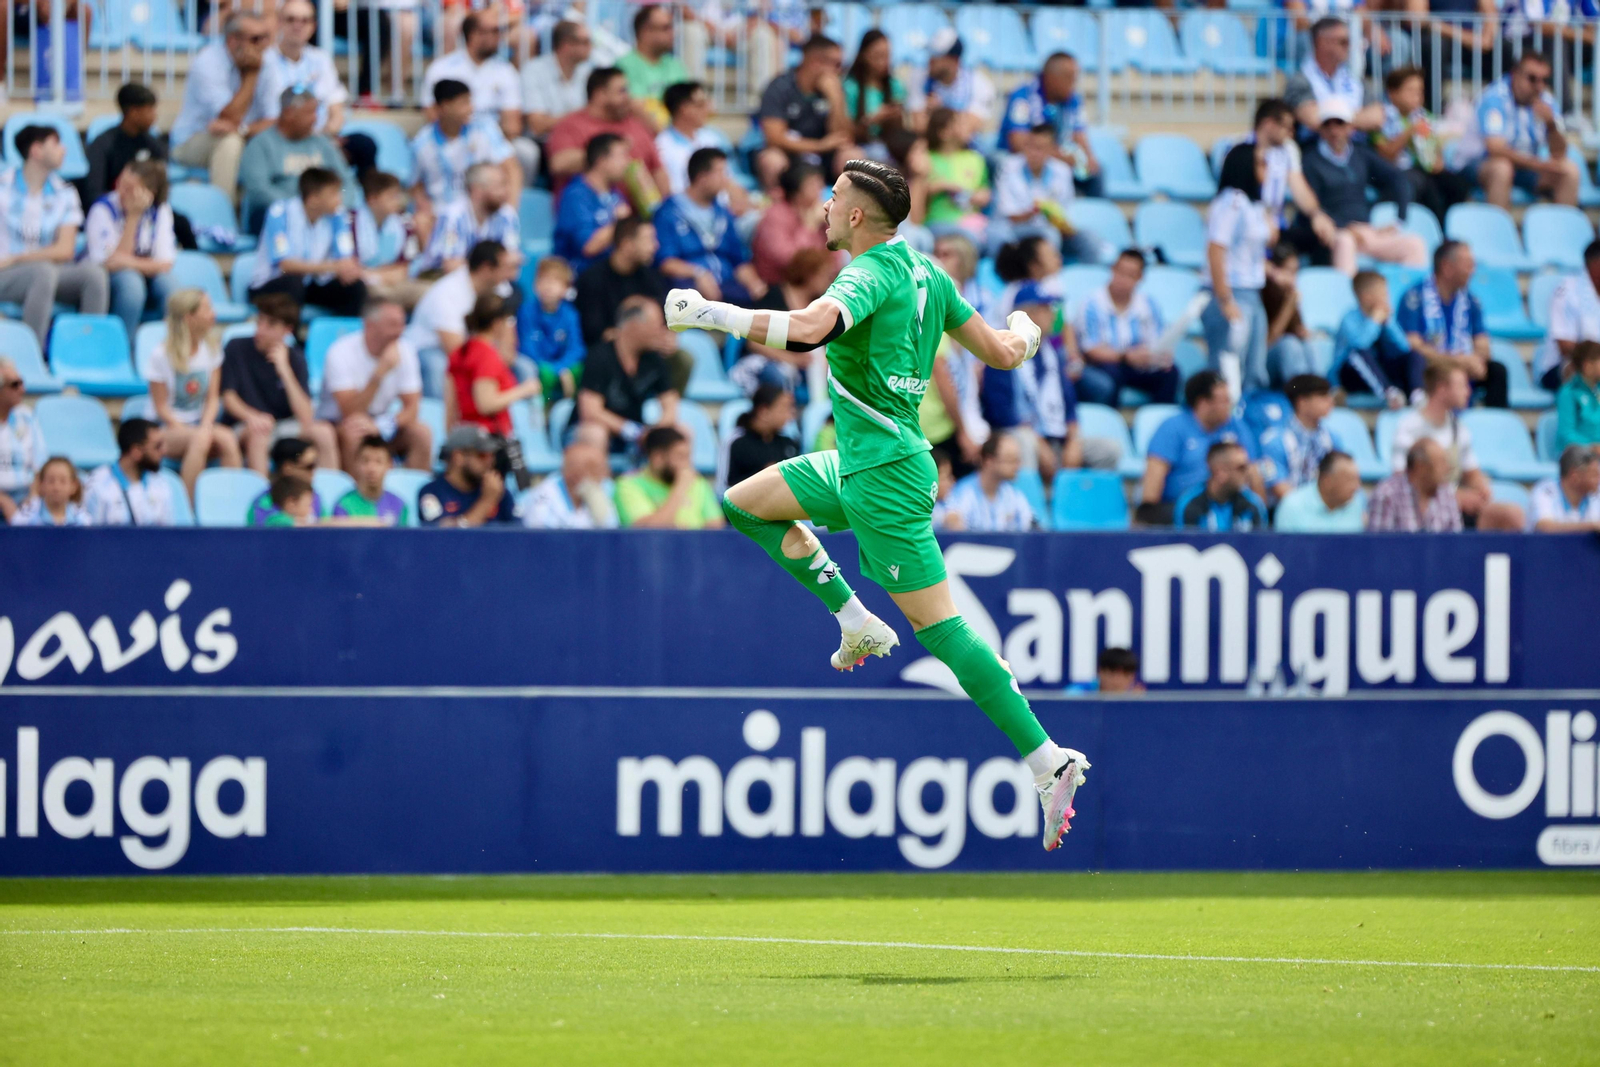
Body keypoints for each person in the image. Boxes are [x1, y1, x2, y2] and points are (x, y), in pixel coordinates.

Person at [663, 157, 1090, 852]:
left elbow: (807, 331)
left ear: (858, 215)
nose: (824, 209)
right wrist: (1028, 329)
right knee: (745, 503)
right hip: (862, 463)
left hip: (885, 477)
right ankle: (856, 618)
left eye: (833, 198)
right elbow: (1006, 353)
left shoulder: (866, 273)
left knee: (943, 632)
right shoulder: (931, 274)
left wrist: (713, 313)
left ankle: (1049, 760)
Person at [0, 125, 108, 346]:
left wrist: (17, 258)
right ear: (36, 150)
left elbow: (65, 250)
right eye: (56, 143)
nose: (65, 149)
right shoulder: (2, 186)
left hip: (36, 269)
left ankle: (85, 353)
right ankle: (32, 355)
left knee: (94, 276)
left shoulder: (65, 192)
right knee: (44, 272)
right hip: (4, 273)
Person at [1294, 100, 1428, 276]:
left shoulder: (1361, 154)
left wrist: (1399, 221)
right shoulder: (1310, 161)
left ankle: (1408, 301)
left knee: (1414, 245)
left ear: (1351, 127)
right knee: (1345, 242)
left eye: (1340, 123)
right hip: (1334, 235)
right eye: (1327, 124)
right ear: (1321, 129)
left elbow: (1399, 178)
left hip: (1366, 232)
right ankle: (1347, 301)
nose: (1334, 131)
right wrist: (1344, 228)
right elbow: (1312, 205)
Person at [1390, 362, 1525, 529]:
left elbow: (1472, 473)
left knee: (1510, 515)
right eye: (1462, 385)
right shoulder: (1408, 426)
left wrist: (1481, 488)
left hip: (1457, 505)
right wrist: (1453, 496)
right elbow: (1402, 480)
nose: (1468, 391)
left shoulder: (1458, 427)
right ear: (1441, 388)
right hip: (1420, 505)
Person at [220, 292, 338, 473]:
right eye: (259, 321)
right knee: (260, 434)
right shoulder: (236, 347)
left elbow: (306, 417)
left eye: (270, 324)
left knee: (324, 433)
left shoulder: (295, 357)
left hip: (283, 426)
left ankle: (328, 494)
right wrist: (252, 416)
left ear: (287, 330)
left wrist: (285, 371)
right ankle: (262, 498)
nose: (261, 329)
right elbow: (228, 398)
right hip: (245, 424)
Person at [170, 13, 280, 203]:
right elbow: (231, 116)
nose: (264, 45)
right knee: (230, 142)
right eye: (256, 39)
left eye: (266, 37)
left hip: (244, 136)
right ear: (232, 40)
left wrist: (243, 130)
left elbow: (275, 120)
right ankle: (223, 216)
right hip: (191, 142)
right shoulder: (207, 63)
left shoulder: (268, 59)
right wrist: (251, 76)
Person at [146, 288, 244, 496]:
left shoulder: (212, 349)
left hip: (199, 425)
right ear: (189, 317)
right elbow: (160, 407)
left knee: (227, 437)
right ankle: (188, 509)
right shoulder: (160, 355)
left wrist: (206, 425)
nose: (213, 314)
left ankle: (230, 504)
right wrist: (186, 428)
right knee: (200, 439)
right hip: (165, 427)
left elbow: (212, 399)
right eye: (207, 309)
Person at [319, 297, 431, 472]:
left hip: (380, 421)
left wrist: (383, 425)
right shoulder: (340, 352)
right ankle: (357, 495)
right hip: (339, 423)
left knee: (422, 433)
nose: (400, 331)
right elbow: (350, 412)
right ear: (370, 325)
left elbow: (413, 407)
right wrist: (379, 375)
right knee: (354, 432)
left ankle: (410, 493)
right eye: (393, 324)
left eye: (402, 324)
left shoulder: (405, 350)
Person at [1202, 142, 1276, 394]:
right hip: (1231, 292)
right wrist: (1224, 299)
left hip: (1252, 293)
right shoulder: (1230, 202)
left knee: (1254, 366)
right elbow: (1216, 250)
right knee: (1229, 366)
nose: (1267, 168)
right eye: (1261, 162)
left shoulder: (1252, 204)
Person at [1141, 370, 1262, 522]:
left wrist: (1260, 514)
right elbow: (1153, 479)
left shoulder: (1237, 426)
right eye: (1224, 401)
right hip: (1180, 509)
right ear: (1203, 403)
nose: (1230, 406)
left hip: (1230, 507)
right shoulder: (1172, 428)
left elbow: (1252, 472)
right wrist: (1147, 514)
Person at [1397, 240, 1506, 407]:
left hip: (1463, 363)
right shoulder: (1414, 298)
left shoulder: (1471, 300)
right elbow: (1413, 345)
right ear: (1447, 267)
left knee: (1497, 371)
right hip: (1431, 366)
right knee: (1417, 363)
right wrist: (1455, 362)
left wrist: (1476, 360)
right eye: (1468, 264)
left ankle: (1497, 428)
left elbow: (1483, 342)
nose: (1472, 270)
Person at [420, 12, 529, 178]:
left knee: (526, 153)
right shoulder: (442, 68)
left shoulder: (506, 71)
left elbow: (512, 125)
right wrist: (463, 138)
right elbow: (432, 114)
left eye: (498, 31)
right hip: (452, 137)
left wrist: (487, 141)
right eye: (491, 31)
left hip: (495, 140)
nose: (497, 37)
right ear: (472, 35)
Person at [1466, 51, 1579, 210]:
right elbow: (1495, 149)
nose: (1538, 86)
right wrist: (1537, 164)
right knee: (1502, 169)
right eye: (1532, 79)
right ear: (1515, 75)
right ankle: (1499, 232)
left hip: (1523, 168)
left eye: (1544, 80)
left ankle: (1563, 232)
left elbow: (1559, 153)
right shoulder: (1495, 97)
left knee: (1569, 171)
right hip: (1478, 165)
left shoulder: (1547, 101)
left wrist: (1551, 125)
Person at [654, 147, 765, 306]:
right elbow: (665, 262)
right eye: (720, 172)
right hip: (689, 293)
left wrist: (755, 285)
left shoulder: (723, 213)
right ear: (702, 177)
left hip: (728, 288)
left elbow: (738, 261)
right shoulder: (668, 212)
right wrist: (698, 273)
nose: (725, 179)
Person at [249, 167, 365, 316]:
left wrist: (347, 270)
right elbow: (285, 266)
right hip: (270, 285)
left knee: (354, 287)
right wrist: (333, 267)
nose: (339, 199)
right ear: (313, 200)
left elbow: (346, 258)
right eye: (333, 194)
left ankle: (344, 336)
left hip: (309, 285)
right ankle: (291, 338)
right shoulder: (280, 212)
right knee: (293, 283)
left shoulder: (337, 216)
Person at [410, 79, 519, 237]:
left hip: (482, 209)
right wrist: (426, 208)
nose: (471, 108)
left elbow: (512, 168)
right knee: (421, 221)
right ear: (445, 106)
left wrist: (510, 207)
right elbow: (416, 184)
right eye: (464, 103)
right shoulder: (422, 143)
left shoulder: (484, 130)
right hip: (441, 213)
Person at [83, 159, 176, 345]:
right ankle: (120, 347)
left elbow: (165, 263)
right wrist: (133, 217)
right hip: (107, 278)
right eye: (120, 184)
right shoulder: (103, 208)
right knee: (131, 284)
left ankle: (169, 348)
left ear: (149, 194)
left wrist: (129, 262)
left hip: (143, 274)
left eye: (130, 188)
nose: (121, 192)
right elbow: (110, 262)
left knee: (171, 287)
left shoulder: (161, 211)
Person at [239, 84, 354, 233]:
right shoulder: (260, 144)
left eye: (316, 112)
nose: (315, 119)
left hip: (324, 213)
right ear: (288, 113)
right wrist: (301, 209)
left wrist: (337, 204)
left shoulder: (321, 142)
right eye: (309, 113)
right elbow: (258, 191)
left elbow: (347, 182)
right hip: (277, 215)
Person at [578, 294, 682, 453]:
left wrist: (655, 432)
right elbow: (590, 411)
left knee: (680, 433)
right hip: (593, 431)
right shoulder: (599, 356)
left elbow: (670, 404)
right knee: (596, 433)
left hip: (637, 433)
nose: (661, 331)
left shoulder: (654, 359)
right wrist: (631, 430)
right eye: (656, 324)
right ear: (634, 325)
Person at [1075, 250, 1178, 406]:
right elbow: (1090, 349)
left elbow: (1158, 340)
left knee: (1170, 373)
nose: (1122, 279)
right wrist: (1125, 357)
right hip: (1107, 363)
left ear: (1140, 278)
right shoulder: (1091, 303)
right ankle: (1110, 424)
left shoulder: (1149, 304)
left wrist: (1157, 356)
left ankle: (1156, 420)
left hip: (1138, 363)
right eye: (1120, 272)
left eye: (1130, 275)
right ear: (1112, 270)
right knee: (1110, 377)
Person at [546, 66, 668, 197]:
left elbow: (658, 170)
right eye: (622, 91)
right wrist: (609, 151)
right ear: (600, 94)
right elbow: (558, 164)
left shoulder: (636, 124)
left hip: (640, 215)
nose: (629, 97)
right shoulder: (570, 125)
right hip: (590, 212)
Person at [729, 246, 834, 397]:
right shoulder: (774, 297)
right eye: (825, 276)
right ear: (809, 274)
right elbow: (754, 342)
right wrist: (792, 359)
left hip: (803, 370)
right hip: (767, 363)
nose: (828, 282)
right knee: (778, 376)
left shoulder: (818, 306)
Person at [1372, 66, 1473, 222]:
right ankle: (1438, 231)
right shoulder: (1380, 119)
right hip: (1395, 173)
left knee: (1457, 184)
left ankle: (1453, 226)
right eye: (1410, 91)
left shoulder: (1424, 117)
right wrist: (1409, 132)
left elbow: (1436, 155)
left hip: (1423, 171)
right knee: (1426, 185)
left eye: (1419, 91)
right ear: (1392, 93)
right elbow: (1386, 155)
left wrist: (1437, 159)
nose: (1417, 96)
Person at [999, 52, 1100, 198]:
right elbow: (1018, 143)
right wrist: (1059, 157)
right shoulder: (1023, 97)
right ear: (1051, 78)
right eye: (1068, 77)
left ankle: (1092, 217)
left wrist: (1087, 158)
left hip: (1056, 160)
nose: (1073, 82)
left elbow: (1079, 135)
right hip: (1023, 159)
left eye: (1075, 77)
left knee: (1095, 173)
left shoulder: (1073, 100)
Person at [405, 239, 517, 361]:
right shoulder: (446, 293)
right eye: (505, 268)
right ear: (486, 268)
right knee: (436, 363)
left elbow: (508, 341)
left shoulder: (501, 288)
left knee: (523, 367)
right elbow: (456, 351)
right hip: (429, 351)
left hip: (476, 353)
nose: (511, 275)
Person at [449, 293, 541, 438]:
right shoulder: (487, 356)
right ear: (497, 323)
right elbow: (485, 404)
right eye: (507, 321)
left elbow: (451, 405)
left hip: (464, 437)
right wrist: (524, 390)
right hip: (489, 443)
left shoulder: (459, 352)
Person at [991, 123, 1085, 259]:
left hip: (1047, 228)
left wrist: (1057, 218)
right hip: (1012, 228)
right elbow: (1010, 216)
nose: (1034, 153)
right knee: (999, 236)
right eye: (1030, 146)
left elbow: (1065, 212)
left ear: (1052, 150)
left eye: (1040, 148)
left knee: (1086, 240)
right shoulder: (1008, 167)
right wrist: (1036, 210)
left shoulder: (1063, 171)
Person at [411, 161, 521, 277]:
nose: (505, 192)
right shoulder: (453, 216)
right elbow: (451, 265)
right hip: (439, 279)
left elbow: (513, 261)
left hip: (488, 283)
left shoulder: (507, 215)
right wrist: (492, 270)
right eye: (498, 186)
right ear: (477, 189)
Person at [1333, 270, 1425, 406]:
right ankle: (1389, 394)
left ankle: (1417, 394)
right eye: (1383, 294)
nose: (1386, 297)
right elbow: (1360, 345)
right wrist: (1374, 320)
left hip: (1379, 370)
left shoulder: (1385, 318)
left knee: (1414, 354)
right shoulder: (1349, 318)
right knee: (1358, 354)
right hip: (1351, 376)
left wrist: (1389, 324)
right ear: (1366, 297)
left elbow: (1404, 347)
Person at [757, 35, 848, 171]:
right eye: (836, 64)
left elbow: (844, 137)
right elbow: (774, 138)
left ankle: (843, 193)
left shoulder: (835, 89)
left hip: (826, 157)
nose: (839, 71)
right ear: (815, 62)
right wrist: (819, 146)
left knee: (851, 155)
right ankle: (775, 192)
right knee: (772, 160)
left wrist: (836, 99)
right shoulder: (779, 87)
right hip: (790, 157)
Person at [575, 216, 667, 346]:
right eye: (648, 240)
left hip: (647, 348)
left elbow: (664, 316)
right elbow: (594, 333)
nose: (655, 246)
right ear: (627, 245)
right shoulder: (592, 280)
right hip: (606, 355)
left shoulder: (650, 276)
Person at [1283, 17, 1384, 133]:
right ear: (1322, 42)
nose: (1349, 47)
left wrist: (1332, 119)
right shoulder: (1300, 80)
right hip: (1316, 147)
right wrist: (1358, 117)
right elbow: (1313, 119)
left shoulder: (1354, 78)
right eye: (1343, 42)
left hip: (1356, 147)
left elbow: (1377, 117)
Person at [264, 0, 347, 137]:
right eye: (291, 19)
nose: (298, 26)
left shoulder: (321, 59)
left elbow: (336, 109)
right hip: (278, 138)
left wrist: (325, 137)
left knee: (362, 144)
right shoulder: (265, 59)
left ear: (314, 26)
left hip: (318, 138)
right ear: (278, 23)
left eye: (305, 20)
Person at [553, 132, 631, 274]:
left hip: (609, 277)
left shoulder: (616, 194)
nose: (627, 162)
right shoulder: (575, 196)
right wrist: (617, 223)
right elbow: (588, 247)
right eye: (622, 156)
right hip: (579, 276)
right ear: (602, 160)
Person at [615, 425, 722, 528]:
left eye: (688, 456)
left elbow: (715, 526)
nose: (687, 464)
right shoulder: (628, 485)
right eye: (680, 456)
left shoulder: (698, 482)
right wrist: (680, 487)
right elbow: (646, 532)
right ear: (658, 458)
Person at [80, 81, 166, 208]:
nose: (154, 116)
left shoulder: (153, 144)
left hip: (146, 208)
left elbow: (161, 187)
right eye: (150, 110)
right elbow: (94, 192)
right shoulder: (103, 145)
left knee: (182, 223)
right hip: (111, 210)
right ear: (134, 112)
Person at [1257, 374, 1341, 504]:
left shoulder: (1332, 438)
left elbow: (1342, 476)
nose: (1331, 401)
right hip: (1288, 513)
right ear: (1302, 402)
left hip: (1325, 510)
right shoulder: (1274, 440)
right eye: (1322, 395)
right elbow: (1278, 486)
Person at [907, 29, 995, 147]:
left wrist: (937, 114)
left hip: (964, 152)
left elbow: (964, 134)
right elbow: (918, 127)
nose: (930, 60)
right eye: (930, 54)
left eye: (936, 56)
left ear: (954, 60)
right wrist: (956, 120)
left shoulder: (980, 84)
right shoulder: (919, 78)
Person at [417, 425, 517, 526]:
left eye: (492, 455)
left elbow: (521, 534)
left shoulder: (499, 492)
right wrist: (486, 501)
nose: (490, 462)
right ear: (458, 457)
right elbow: (441, 536)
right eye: (482, 455)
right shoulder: (432, 493)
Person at [83, 418, 175, 526]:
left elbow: (167, 536)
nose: (164, 451)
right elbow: (89, 536)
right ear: (136, 451)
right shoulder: (97, 484)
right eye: (157, 446)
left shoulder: (161, 484)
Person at [751, 162, 828, 289]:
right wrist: (810, 226)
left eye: (820, 183)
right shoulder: (775, 216)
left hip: (815, 284)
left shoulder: (819, 211)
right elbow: (790, 261)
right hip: (779, 287)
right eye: (813, 184)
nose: (820, 189)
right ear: (797, 190)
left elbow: (835, 258)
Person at [656, 80, 739, 198]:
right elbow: (674, 194)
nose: (708, 109)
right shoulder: (662, 147)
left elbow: (731, 179)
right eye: (701, 104)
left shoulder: (713, 137)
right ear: (684, 109)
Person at [1537, 240, 1600, 392]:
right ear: (1596, 264)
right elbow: (1565, 346)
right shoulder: (1567, 292)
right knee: (1583, 367)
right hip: (1563, 366)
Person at [941, 432, 1036, 532]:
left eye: (1017, 460)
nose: (1017, 466)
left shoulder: (1014, 495)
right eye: (1010, 459)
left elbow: (1031, 526)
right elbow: (955, 531)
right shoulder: (963, 493)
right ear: (988, 461)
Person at [518, 257, 585, 398]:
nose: (548, 286)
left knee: (579, 369)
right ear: (535, 284)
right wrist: (553, 369)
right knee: (544, 374)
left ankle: (569, 408)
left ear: (566, 288)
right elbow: (526, 347)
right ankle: (542, 412)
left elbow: (577, 348)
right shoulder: (526, 311)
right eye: (543, 280)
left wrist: (561, 367)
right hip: (539, 365)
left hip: (562, 365)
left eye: (554, 281)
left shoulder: (570, 314)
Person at [1367, 437, 1463, 532]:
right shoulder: (1386, 494)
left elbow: (1455, 541)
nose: (1447, 468)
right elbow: (1379, 543)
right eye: (1441, 463)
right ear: (1420, 467)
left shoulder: (1447, 493)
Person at [616, 5, 689, 129]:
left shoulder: (675, 65)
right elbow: (635, 107)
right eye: (666, 28)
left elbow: (689, 102)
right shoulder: (624, 66)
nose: (673, 33)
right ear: (645, 32)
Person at [520, 436, 618, 529]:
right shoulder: (543, 494)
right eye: (596, 470)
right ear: (577, 473)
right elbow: (536, 532)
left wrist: (598, 508)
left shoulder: (603, 490)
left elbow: (611, 532)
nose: (604, 475)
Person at [924, 107, 990, 241]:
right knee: (969, 237)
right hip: (939, 221)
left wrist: (982, 196)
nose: (969, 128)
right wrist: (943, 186)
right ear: (944, 133)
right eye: (961, 123)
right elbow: (916, 191)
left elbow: (984, 189)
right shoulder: (927, 159)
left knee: (998, 236)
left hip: (973, 220)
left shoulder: (975, 158)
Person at [522, 19, 594, 141]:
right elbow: (537, 125)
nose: (591, 47)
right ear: (566, 45)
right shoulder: (534, 71)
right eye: (586, 42)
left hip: (577, 140)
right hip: (543, 143)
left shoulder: (586, 72)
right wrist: (581, 116)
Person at [1174, 441, 1268, 531]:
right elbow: (1187, 544)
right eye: (1241, 468)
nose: (1247, 473)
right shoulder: (1190, 503)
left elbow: (1259, 544)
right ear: (1220, 472)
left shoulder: (1253, 504)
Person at [842, 29, 905, 161]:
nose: (884, 62)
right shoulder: (850, 87)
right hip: (861, 146)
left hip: (890, 146)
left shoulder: (895, 86)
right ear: (864, 56)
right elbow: (846, 131)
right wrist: (871, 120)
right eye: (878, 56)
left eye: (887, 56)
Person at [723, 382, 799, 490]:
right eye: (784, 408)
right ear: (764, 412)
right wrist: (763, 476)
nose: (791, 414)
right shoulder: (736, 442)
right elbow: (724, 488)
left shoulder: (788, 443)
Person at [1262, 242, 1318, 387]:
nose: (1292, 277)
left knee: (1306, 344)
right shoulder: (1262, 292)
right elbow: (1269, 340)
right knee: (1289, 344)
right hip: (1264, 361)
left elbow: (1295, 329)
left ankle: (1318, 390)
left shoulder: (1288, 293)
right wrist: (1289, 305)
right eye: (1288, 270)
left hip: (1286, 360)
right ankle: (1301, 393)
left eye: (1295, 271)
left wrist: (1302, 332)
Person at [0, 356, 46, 524]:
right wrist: (3, 501)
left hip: (25, 499)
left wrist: (32, 499)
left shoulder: (26, 417)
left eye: (22, 382)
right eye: (15, 384)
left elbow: (39, 466)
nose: (22, 389)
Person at [1275, 450, 1366, 531]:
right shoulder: (1292, 506)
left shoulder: (1355, 504)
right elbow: (1285, 548)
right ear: (1327, 481)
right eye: (1349, 480)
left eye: (1358, 479)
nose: (1357, 487)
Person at [333, 433, 410, 526]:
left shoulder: (399, 505)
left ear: (390, 465)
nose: (372, 468)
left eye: (378, 461)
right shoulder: (344, 505)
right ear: (356, 463)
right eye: (366, 461)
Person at [246, 436, 324, 524]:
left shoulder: (316, 497)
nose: (314, 472)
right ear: (288, 468)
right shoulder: (264, 501)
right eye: (309, 466)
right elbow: (267, 524)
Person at [1528, 445, 1600, 531]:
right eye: (1594, 475)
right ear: (1575, 477)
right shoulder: (1545, 490)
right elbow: (1544, 527)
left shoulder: (1596, 492)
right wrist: (1592, 526)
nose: (1598, 479)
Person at [10, 456, 91, 526]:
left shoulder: (82, 518)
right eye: (51, 481)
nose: (56, 488)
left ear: (74, 486)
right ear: (41, 484)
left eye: (63, 481)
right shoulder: (27, 515)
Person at [1555, 340, 1600, 452]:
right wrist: (1592, 447)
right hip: (1580, 457)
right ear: (1587, 366)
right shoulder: (1568, 393)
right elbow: (1566, 434)